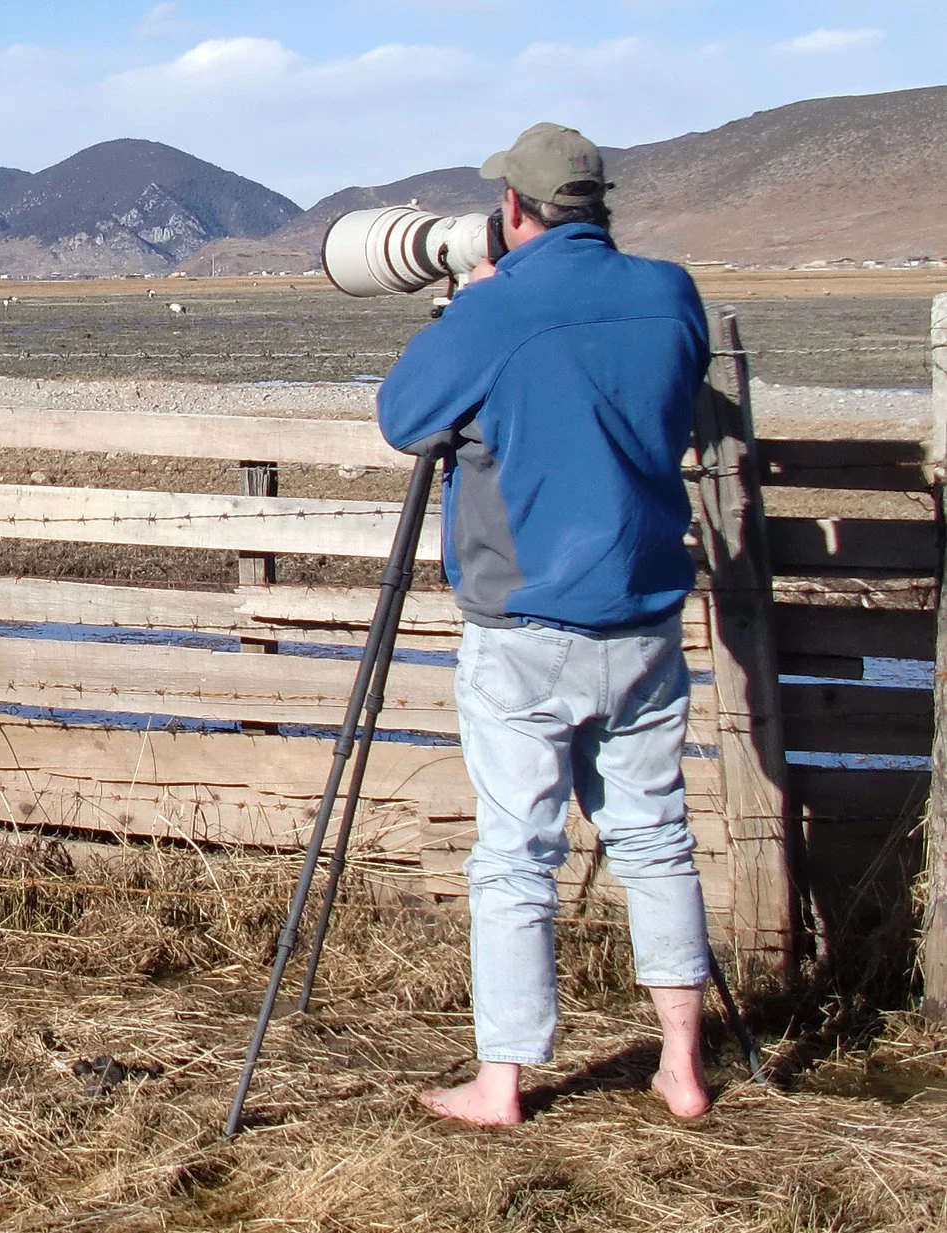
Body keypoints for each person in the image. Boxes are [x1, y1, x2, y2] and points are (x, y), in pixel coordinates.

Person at [373, 123, 715, 1126]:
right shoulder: (669, 292)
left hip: (525, 620)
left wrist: (469, 312)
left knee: (516, 853)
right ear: (597, 205)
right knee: (655, 838)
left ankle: (503, 1079)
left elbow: (404, 417)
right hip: (646, 611)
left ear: (515, 211)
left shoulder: (503, 306)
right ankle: (682, 1068)